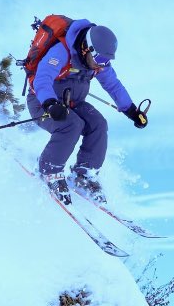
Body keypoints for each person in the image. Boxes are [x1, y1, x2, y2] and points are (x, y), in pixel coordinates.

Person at [27, 18, 148, 205]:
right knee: (72, 125)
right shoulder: (61, 51)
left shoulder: (97, 62)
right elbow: (42, 78)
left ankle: (85, 175)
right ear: (86, 48)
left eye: (107, 60)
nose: (102, 64)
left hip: (73, 102)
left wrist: (131, 110)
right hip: (43, 102)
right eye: (100, 59)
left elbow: (113, 85)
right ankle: (49, 170)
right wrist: (50, 104)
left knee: (98, 125)